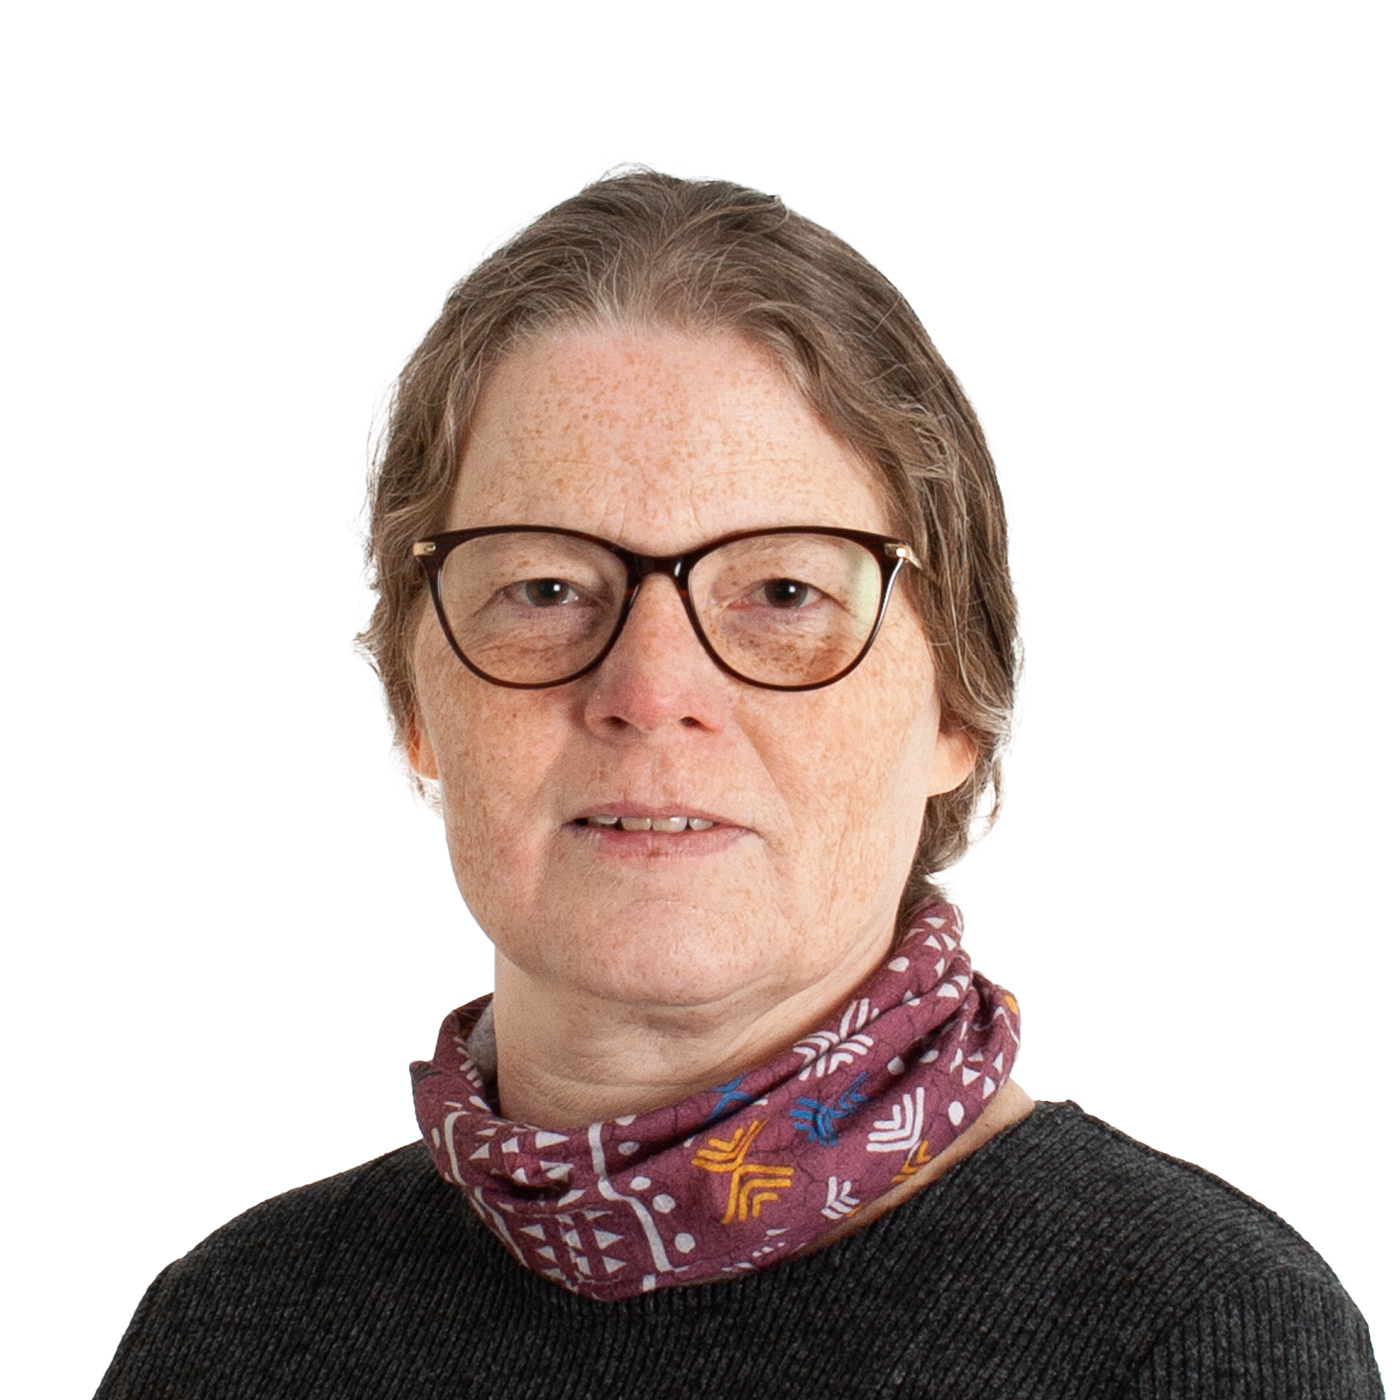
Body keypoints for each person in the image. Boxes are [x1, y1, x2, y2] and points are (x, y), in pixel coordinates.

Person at [94, 170, 1383, 1398]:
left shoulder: (1194, 1339)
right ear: (413, 700)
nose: (652, 689)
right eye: (544, 588)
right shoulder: (233, 1335)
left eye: (783, 591)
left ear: (957, 704)